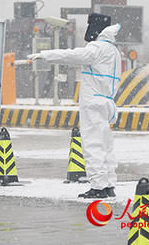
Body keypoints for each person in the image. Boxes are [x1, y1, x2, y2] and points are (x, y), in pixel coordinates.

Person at [28, 13, 122, 199]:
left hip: (93, 103)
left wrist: (46, 55)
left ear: (95, 29)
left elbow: (73, 55)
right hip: (106, 102)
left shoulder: (97, 48)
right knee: (105, 145)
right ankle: (109, 184)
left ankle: (98, 186)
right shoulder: (113, 51)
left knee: (92, 144)